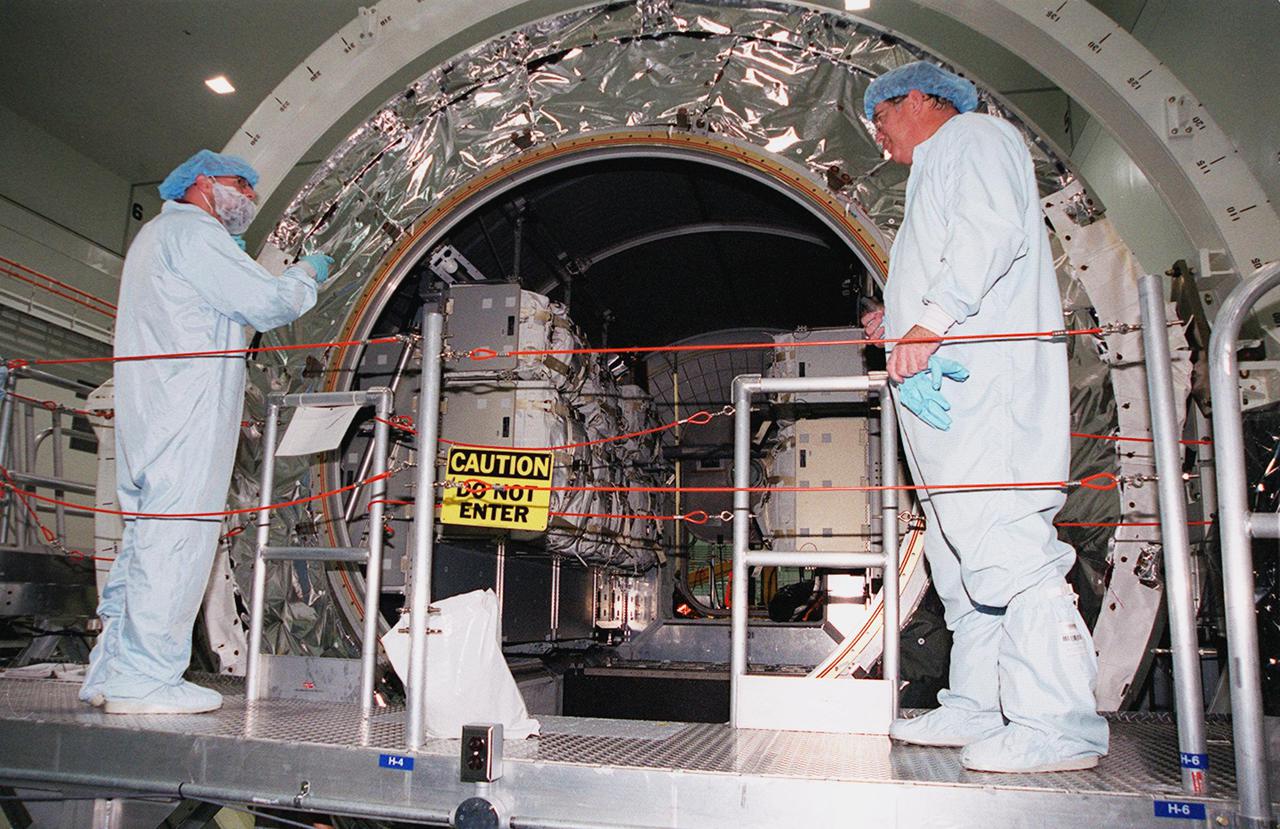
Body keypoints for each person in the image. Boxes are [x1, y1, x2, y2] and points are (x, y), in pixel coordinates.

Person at [859, 63, 1109, 772]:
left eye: (880, 118)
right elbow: (952, 259)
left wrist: (930, 321)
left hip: (988, 397)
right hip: (951, 404)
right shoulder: (938, 166)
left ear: (916, 98)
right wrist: (899, 320)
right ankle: (978, 703)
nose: (878, 136)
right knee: (961, 559)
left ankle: (1059, 722)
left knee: (1007, 546)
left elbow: (989, 233)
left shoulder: (974, 137)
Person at [79, 149, 334, 714]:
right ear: (200, 182)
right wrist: (304, 273)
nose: (248, 196)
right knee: (177, 542)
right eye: (239, 183)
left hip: (152, 412)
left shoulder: (155, 238)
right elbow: (268, 303)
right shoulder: (195, 234)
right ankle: (145, 682)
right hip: (186, 414)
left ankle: (112, 671)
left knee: (144, 545)